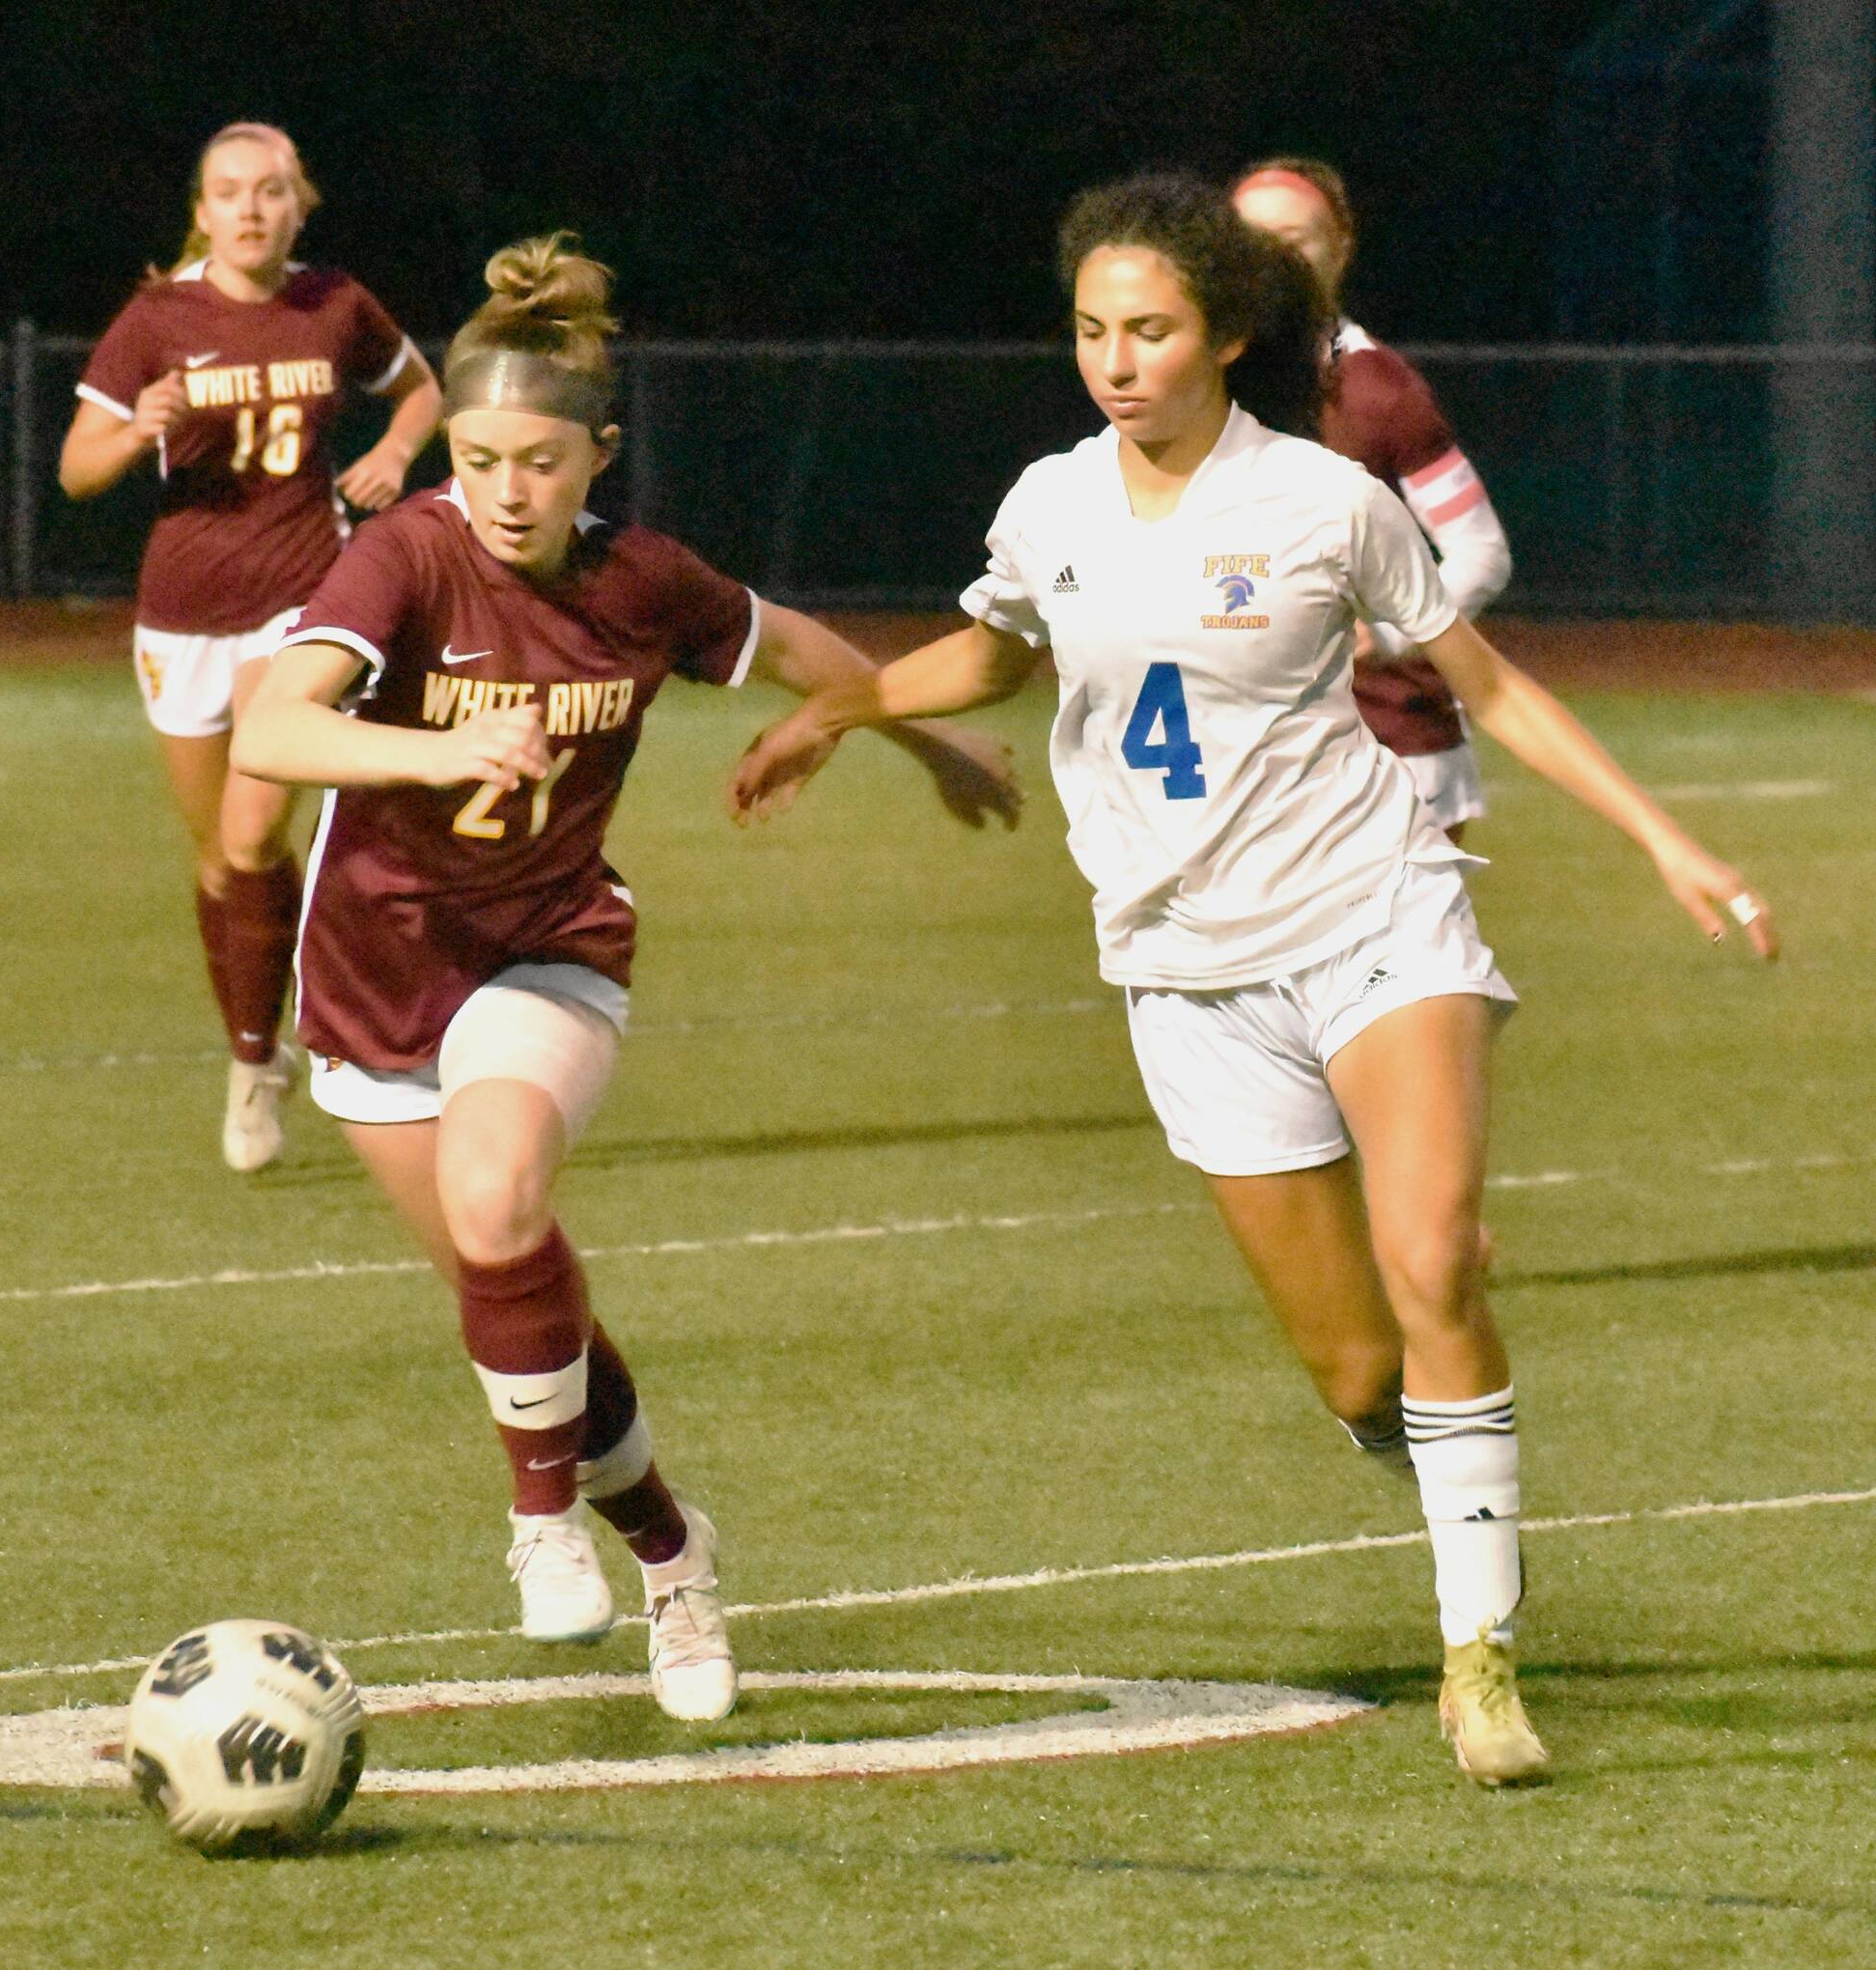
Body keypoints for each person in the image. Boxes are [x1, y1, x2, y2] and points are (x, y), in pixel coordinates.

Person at [730, 173, 1778, 1786]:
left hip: (1374, 913)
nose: (1115, 361)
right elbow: (995, 654)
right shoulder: (1048, 506)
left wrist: (1662, 840)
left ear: (1222, 333)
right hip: (1184, 972)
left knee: (1432, 1262)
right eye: (1091, 331)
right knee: (1359, 1370)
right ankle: (1439, 1454)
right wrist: (842, 713)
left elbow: (1480, 676)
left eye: (1147, 330)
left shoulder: (1324, 499)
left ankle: (1479, 1658)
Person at [232, 234, 1021, 1721]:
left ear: (600, 453)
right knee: (517, 1289)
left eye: (538, 461)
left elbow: (792, 650)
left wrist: (925, 737)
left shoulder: (643, 582)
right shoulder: (406, 550)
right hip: (373, 981)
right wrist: (439, 745)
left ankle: (537, 1526)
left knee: (495, 1197)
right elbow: (278, 728)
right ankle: (670, 1551)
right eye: (476, 458)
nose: (506, 490)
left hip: (550, 950)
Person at [59, 122, 442, 1172]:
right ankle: (257, 1043)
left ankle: (250, 1075)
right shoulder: (157, 316)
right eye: (230, 192)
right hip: (180, 611)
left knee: (250, 832)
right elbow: (75, 470)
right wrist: (139, 426)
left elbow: (420, 388)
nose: (251, 209)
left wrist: (397, 453)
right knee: (224, 863)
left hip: (299, 595)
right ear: (202, 208)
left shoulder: (333, 304)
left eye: (270, 190)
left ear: (298, 202)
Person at [1232, 157, 1510, 844]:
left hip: (1387, 742)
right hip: (1249, 744)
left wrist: (1385, 637)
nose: (1271, 258)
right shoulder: (1202, 380)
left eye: (1295, 238)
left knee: (1400, 956)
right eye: (1250, 238)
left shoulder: (1378, 391)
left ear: (1341, 247)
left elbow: (1480, 550)